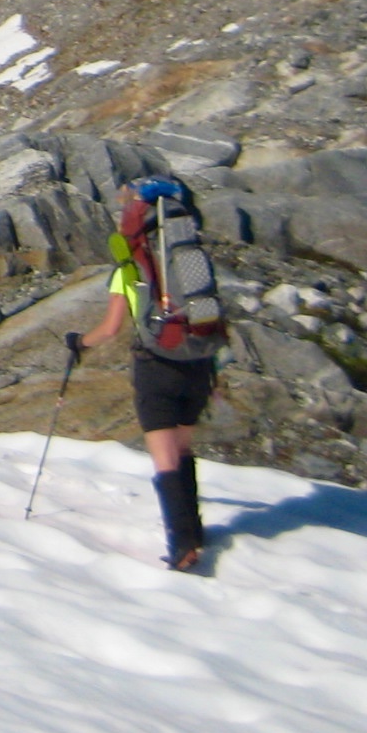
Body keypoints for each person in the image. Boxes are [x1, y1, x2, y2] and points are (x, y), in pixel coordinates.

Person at [69, 177, 218, 571]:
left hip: (156, 365)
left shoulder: (130, 267)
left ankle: (182, 545)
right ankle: (196, 533)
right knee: (183, 449)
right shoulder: (189, 256)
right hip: (199, 361)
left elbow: (110, 328)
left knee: (164, 458)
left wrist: (80, 343)